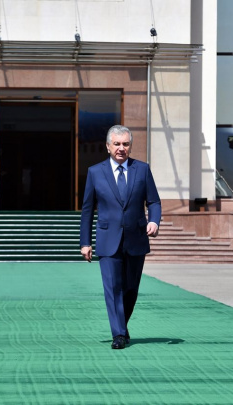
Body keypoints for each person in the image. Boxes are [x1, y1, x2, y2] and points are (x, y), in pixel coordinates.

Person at [79, 125, 161, 350]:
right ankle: (118, 334)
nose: (121, 148)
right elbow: (87, 210)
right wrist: (85, 242)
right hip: (108, 239)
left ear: (130, 146)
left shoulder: (142, 170)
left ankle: (121, 326)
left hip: (136, 238)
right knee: (113, 288)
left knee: (131, 289)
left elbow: (153, 201)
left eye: (125, 144)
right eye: (116, 144)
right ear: (108, 146)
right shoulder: (95, 172)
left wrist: (154, 221)